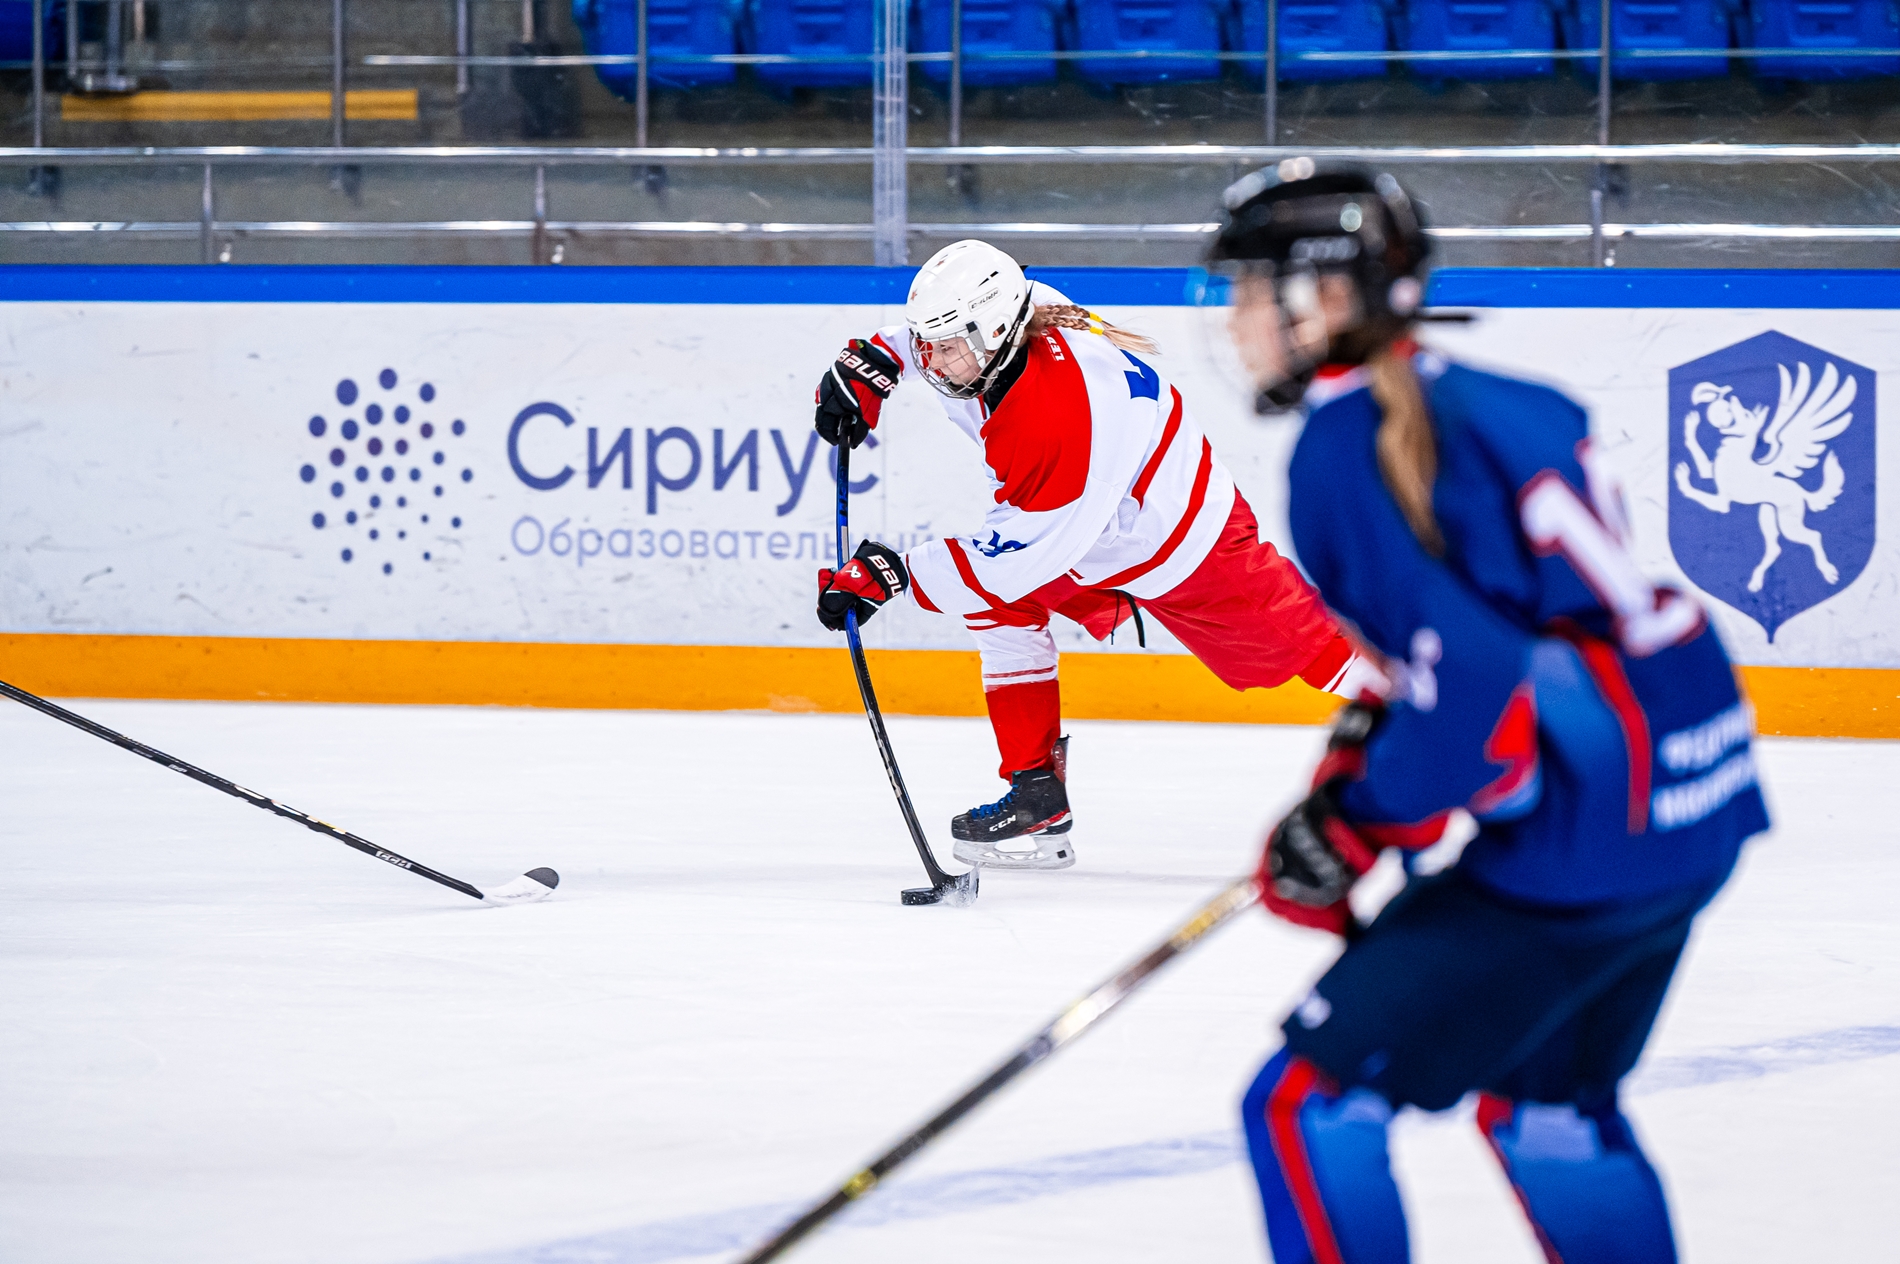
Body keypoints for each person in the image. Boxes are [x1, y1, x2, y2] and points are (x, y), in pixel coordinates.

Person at [1213, 160, 1771, 1263]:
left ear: (1326, 297)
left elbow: (1478, 695)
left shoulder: (1344, 445)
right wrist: (1362, 779)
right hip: (1697, 800)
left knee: (1304, 1108)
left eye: (1248, 292)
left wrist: (1362, 822)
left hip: (1582, 847)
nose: (1233, 324)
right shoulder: (1497, 397)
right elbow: (1489, 654)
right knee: (1547, 1107)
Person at [810, 239, 1385, 870]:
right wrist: (875, 360)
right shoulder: (1013, 324)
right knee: (998, 607)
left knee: (1310, 647)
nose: (935, 363)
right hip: (1095, 526)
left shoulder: (1051, 415)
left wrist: (892, 575)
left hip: (1184, 543)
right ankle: (1036, 791)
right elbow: (941, 337)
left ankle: (1444, 717)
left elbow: (1017, 558)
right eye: (928, 345)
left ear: (996, 331)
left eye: (945, 348)